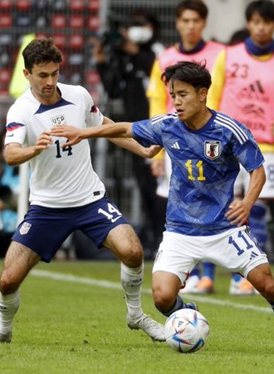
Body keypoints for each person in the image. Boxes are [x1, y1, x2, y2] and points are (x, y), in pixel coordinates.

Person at [52, 61, 274, 355]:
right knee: (161, 297)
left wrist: (246, 203)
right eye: (173, 94)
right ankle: (188, 315)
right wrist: (84, 133)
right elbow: (127, 128)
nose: (177, 101)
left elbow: (257, 170)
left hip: (224, 229)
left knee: (268, 285)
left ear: (202, 93)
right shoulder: (168, 125)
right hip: (180, 231)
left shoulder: (229, 131)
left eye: (182, 94)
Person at [0, 38, 165, 344]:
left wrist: (142, 150)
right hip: (47, 208)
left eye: (54, 73)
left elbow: (104, 126)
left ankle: (136, 315)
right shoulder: (21, 111)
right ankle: (3, 330)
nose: (49, 82)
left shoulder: (79, 96)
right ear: (27, 74)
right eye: (42, 75)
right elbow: (11, 154)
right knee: (8, 280)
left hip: (89, 199)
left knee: (133, 251)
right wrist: (35, 148)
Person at [207, 0, 274, 295]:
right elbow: (212, 98)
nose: (261, 27)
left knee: (255, 212)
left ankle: (248, 276)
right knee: (219, 207)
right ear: (249, 23)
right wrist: (209, 135)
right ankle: (207, 275)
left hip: (265, 147)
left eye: (266, 22)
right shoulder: (229, 56)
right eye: (255, 21)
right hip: (227, 143)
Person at [147, 0, 229, 295]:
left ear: (203, 23)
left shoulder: (220, 54)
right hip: (177, 141)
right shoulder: (165, 57)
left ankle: (212, 273)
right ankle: (188, 272)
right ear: (178, 23)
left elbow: (223, 95)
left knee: (211, 200)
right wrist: (156, 150)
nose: (190, 26)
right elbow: (158, 100)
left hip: (212, 140)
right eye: (185, 20)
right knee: (181, 203)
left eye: (196, 20)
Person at [93, 10, 165, 254]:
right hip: (137, 130)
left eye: (140, 24)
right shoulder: (124, 57)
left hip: (161, 129)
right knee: (145, 187)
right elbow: (113, 88)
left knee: (162, 190)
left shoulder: (158, 51)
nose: (135, 29)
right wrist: (102, 62)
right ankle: (154, 241)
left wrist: (134, 50)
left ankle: (166, 239)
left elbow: (160, 72)